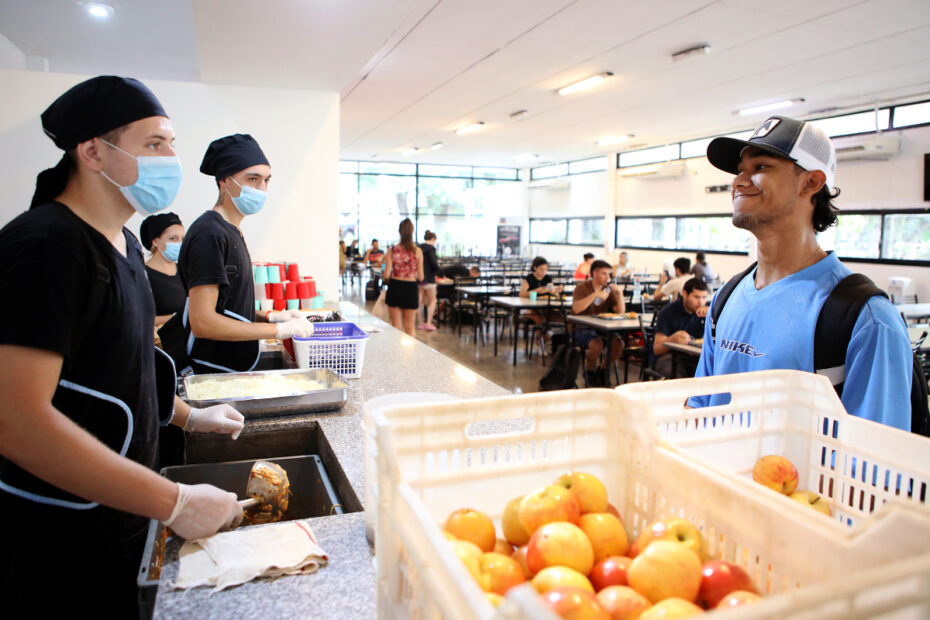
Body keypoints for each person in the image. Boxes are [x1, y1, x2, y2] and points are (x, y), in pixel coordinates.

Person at [0, 76, 246, 616]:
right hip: (58, 534)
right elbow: (15, 420)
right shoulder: (47, 246)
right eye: (154, 144)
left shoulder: (126, 244)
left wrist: (189, 418)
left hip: (122, 513)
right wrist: (174, 502)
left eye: (171, 145)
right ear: (92, 151)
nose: (170, 159)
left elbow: (123, 370)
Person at [690, 114, 912, 430]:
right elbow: (701, 403)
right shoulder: (727, 299)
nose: (739, 181)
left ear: (810, 182)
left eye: (760, 167)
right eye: (740, 170)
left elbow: (876, 462)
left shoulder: (865, 319)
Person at [178, 133, 314, 374]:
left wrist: (272, 317)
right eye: (252, 179)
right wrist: (278, 331)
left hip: (235, 366)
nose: (261, 189)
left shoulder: (233, 231)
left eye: (266, 180)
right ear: (224, 181)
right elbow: (203, 322)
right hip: (211, 371)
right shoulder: (210, 234)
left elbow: (229, 307)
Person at [571, 260, 626, 386]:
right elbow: (577, 309)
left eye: (609, 274)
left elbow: (621, 312)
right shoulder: (582, 288)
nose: (608, 277)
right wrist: (595, 295)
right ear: (594, 273)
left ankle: (602, 370)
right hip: (580, 326)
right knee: (597, 344)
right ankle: (589, 371)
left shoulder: (609, 289)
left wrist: (620, 294)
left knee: (618, 344)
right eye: (604, 274)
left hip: (601, 326)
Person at [652, 278, 708, 377]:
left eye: (704, 298)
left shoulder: (706, 312)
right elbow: (656, 349)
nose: (701, 302)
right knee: (680, 379)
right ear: (685, 294)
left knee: (711, 375)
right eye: (696, 297)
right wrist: (672, 339)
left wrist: (713, 316)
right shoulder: (668, 312)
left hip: (694, 356)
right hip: (668, 357)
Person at [140, 212, 186, 328]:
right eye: (173, 239)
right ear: (155, 241)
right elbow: (141, 318)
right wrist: (177, 317)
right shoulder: (143, 275)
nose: (179, 244)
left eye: (182, 239)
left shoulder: (184, 270)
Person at [383, 218, 424, 336]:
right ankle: (410, 354)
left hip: (395, 287)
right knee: (410, 326)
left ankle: (397, 353)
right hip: (411, 288)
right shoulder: (418, 251)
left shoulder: (392, 250)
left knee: (396, 325)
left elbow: (386, 274)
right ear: (412, 232)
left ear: (399, 232)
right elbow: (421, 277)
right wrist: (411, 273)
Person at [519, 256, 564, 332]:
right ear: (535, 268)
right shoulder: (529, 278)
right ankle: (542, 339)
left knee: (559, 317)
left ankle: (555, 338)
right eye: (541, 269)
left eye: (545, 269)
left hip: (545, 306)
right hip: (531, 307)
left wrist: (557, 291)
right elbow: (521, 294)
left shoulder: (548, 278)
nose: (543, 272)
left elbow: (552, 292)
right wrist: (536, 291)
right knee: (542, 319)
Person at [418, 229, 440, 331]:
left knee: (419, 302)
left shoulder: (418, 248)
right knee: (433, 300)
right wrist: (439, 272)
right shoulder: (431, 249)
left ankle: (420, 323)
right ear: (432, 239)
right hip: (429, 278)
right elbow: (434, 263)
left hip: (419, 278)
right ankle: (428, 323)